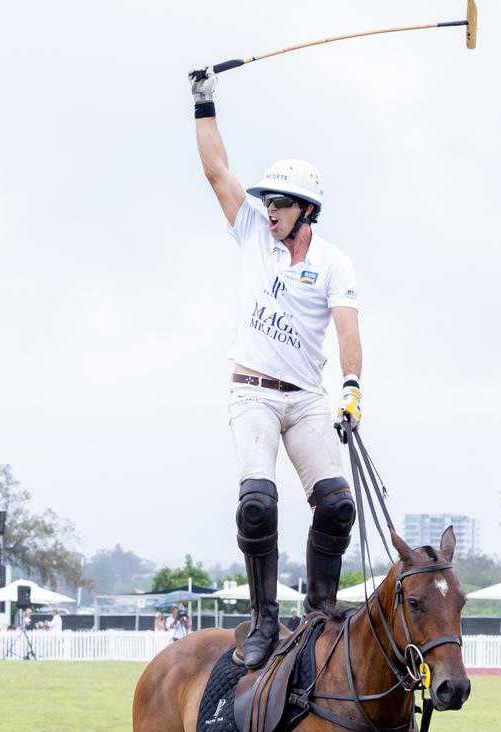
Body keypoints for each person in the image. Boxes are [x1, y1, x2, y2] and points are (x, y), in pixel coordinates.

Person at [189, 67, 361, 669]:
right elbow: (217, 172)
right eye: (266, 202)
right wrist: (203, 103)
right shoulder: (253, 236)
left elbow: (346, 330)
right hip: (252, 396)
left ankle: (318, 612)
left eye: (279, 204)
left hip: (307, 398)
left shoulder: (335, 263)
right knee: (257, 504)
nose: (267, 211)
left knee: (338, 505)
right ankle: (263, 620)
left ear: (305, 211)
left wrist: (351, 389)